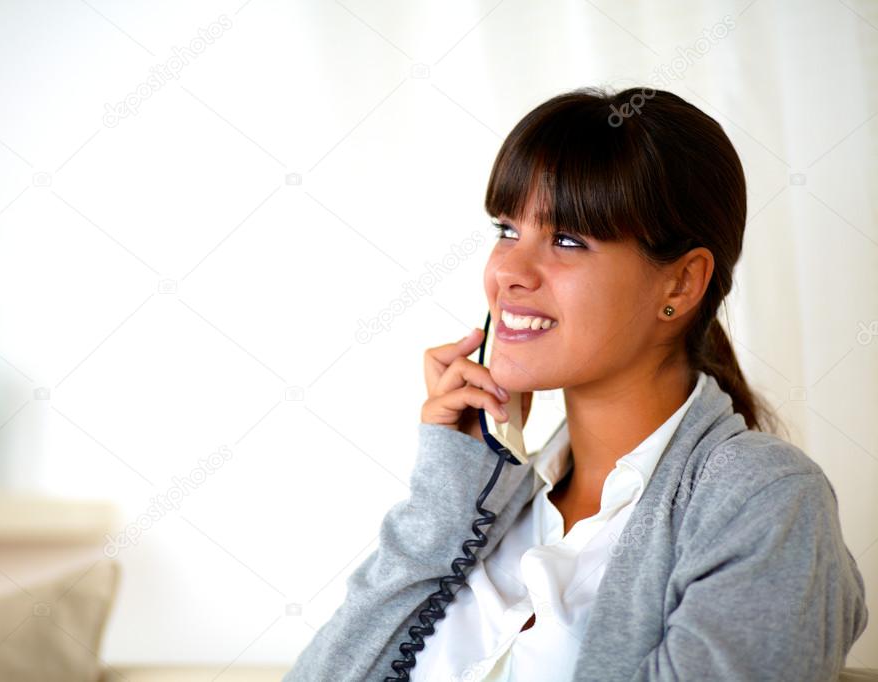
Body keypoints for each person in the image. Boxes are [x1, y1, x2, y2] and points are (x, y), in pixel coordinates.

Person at [283, 86, 869, 681]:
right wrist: (448, 488)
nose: (508, 271)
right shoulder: (494, 500)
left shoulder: (763, 499)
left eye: (567, 240)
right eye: (507, 230)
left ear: (681, 285)